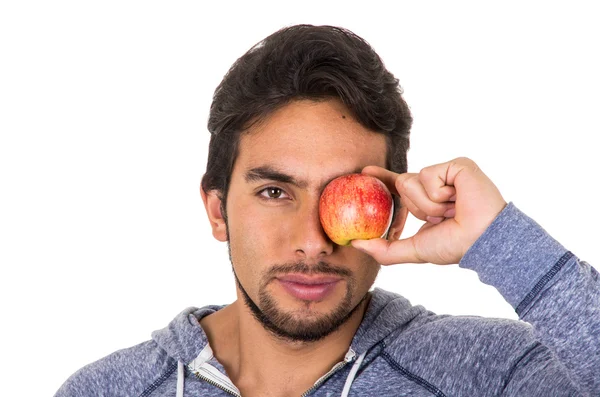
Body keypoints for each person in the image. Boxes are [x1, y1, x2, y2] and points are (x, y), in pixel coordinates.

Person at [55, 24, 599, 397]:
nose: (314, 242)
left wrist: (502, 242)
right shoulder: (106, 389)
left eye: (343, 196)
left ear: (395, 216)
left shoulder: (490, 374)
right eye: (275, 193)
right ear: (217, 210)